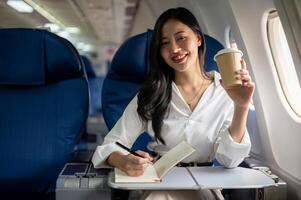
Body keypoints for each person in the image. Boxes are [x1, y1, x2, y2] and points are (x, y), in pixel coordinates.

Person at [92, 7, 254, 200]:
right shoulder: (152, 93)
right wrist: (123, 160)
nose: (175, 49)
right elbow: (109, 145)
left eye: (181, 38)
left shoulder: (226, 91)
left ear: (198, 39)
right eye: (165, 43)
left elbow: (230, 160)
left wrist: (241, 105)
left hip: (203, 188)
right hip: (158, 186)